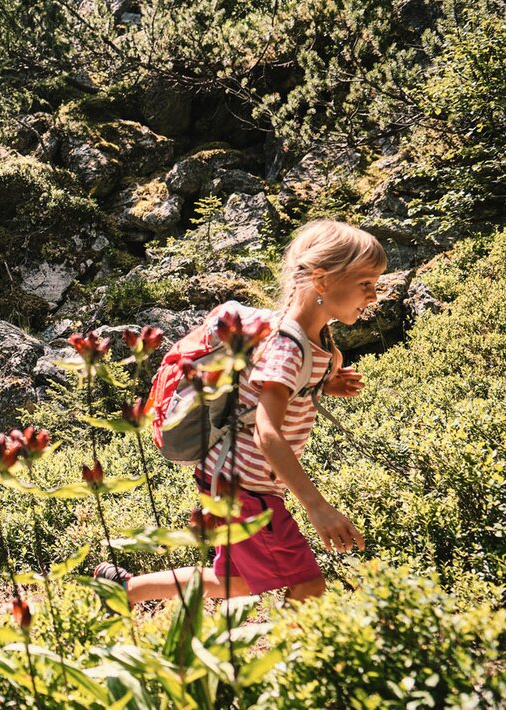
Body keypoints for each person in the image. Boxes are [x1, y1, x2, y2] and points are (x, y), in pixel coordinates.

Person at [97, 220, 385, 603]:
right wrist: (317, 507)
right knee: (308, 585)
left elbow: (273, 384)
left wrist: (322, 385)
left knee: (235, 581)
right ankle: (298, 649)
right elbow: (267, 434)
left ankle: (124, 590)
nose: (374, 295)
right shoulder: (288, 347)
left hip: (233, 477)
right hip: (245, 486)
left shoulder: (315, 340)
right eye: (365, 283)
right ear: (321, 280)